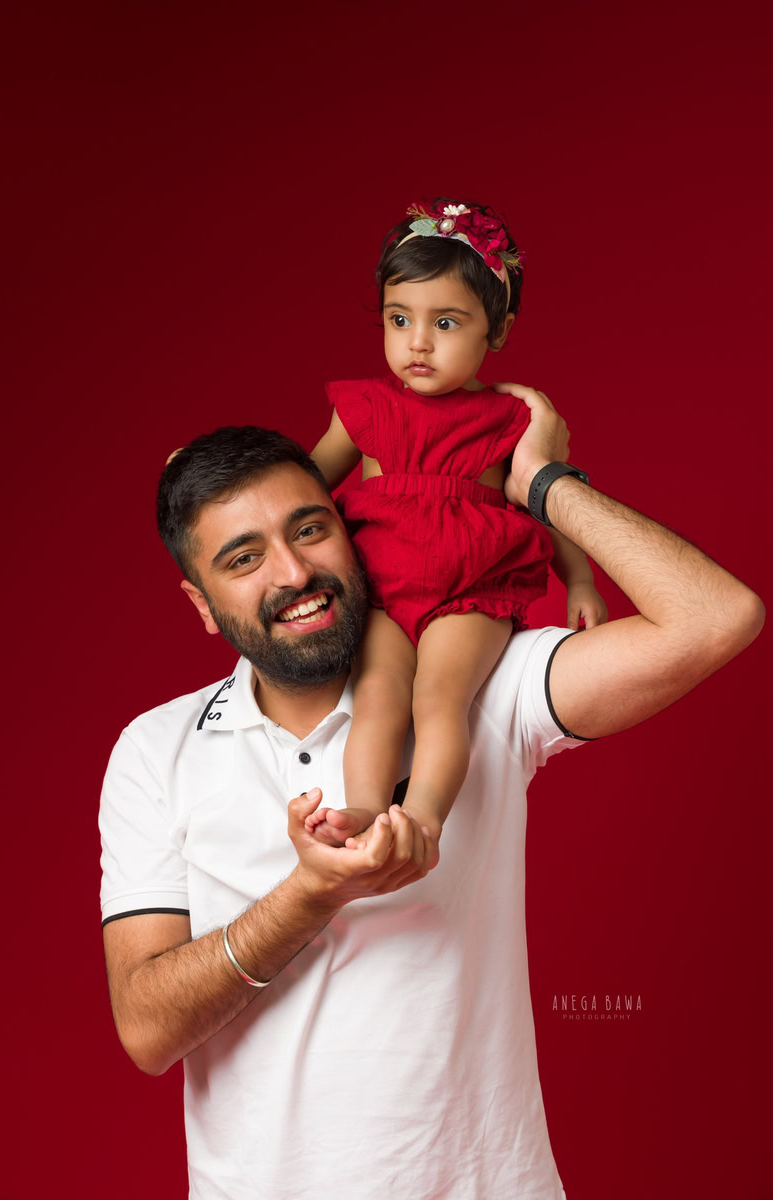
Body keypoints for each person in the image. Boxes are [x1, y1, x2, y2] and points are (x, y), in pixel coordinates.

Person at [100, 397, 762, 1199]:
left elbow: (718, 618)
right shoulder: (156, 749)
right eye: (243, 559)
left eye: (309, 529)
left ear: (350, 524)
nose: (294, 573)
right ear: (202, 605)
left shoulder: (485, 682)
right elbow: (147, 1028)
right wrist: (312, 894)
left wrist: (544, 481)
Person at [306, 198, 608, 853]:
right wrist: (225, 472)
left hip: (470, 586)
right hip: (383, 588)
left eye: (445, 322)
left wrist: (580, 579)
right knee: (380, 693)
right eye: (399, 319)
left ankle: (421, 820)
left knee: (441, 697)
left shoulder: (513, 418)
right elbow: (301, 483)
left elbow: (543, 504)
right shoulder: (363, 408)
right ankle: (363, 811)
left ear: (494, 332)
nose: (418, 341)